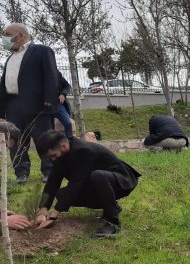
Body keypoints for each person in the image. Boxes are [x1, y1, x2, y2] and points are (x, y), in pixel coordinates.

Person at [35, 130, 141, 237]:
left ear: (63, 146)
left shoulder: (84, 151)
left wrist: (54, 216)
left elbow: (76, 183)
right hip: (99, 183)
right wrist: (43, 210)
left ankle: (113, 223)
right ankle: (111, 206)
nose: (53, 159)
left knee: (98, 176)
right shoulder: (62, 155)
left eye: (53, 155)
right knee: (62, 195)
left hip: (121, 180)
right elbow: (52, 182)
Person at [0, 23, 59, 184]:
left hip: (38, 105)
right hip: (13, 105)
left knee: (44, 139)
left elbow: (51, 75)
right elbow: (5, 82)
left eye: (7, 34)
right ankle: (21, 173)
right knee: (16, 141)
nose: (4, 38)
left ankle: (49, 171)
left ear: (20, 35)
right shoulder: (10, 58)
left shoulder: (41, 51)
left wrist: (49, 98)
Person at [54, 71, 73, 139]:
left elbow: (67, 86)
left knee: (68, 123)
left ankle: (70, 141)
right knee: (48, 128)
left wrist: (63, 94)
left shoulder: (56, 74)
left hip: (58, 104)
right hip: (45, 106)